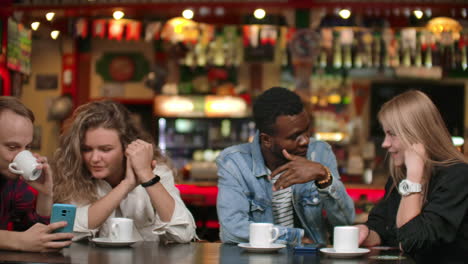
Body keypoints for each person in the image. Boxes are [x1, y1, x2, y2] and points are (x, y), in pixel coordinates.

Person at [216, 87, 355, 246]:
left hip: (311, 259)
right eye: (294, 137)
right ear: (267, 140)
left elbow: (346, 222)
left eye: (307, 131)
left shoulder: (320, 152)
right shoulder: (235, 163)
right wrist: (293, 237)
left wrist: (324, 177)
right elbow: (232, 231)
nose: (305, 141)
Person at [53, 100, 196, 243]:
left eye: (105, 149)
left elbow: (183, 234)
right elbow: (66, 232)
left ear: (126, 148)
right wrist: (126, 185)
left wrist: (147, 176)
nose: (94, 158)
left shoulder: (158, 172)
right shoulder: (75, 175)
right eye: (87, 149)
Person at [357, 90, 468, 263]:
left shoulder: (458, 176)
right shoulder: (400, 176)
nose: (385, 143)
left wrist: (415, 177)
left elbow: (412, 240)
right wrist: (367, 233)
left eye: (392, 134)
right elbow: (382, 225)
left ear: (417, 135)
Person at [0, 96, 73, 252]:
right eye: (12, 147)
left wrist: (45, 194)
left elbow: (36, 236)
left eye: (27, 147)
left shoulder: (15, 181)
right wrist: (17, 240)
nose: (21, 156)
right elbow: (23, 239)